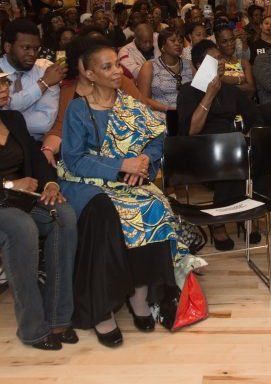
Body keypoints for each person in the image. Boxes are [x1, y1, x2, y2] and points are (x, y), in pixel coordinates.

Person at [58, 43, 191, 348]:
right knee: (105, 215)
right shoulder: (78, 109)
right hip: (87, 183)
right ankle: (102, 308)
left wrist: (144, 160)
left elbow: (157, 137)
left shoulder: (131, 105)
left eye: (117, 64)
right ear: (89, 74)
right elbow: (74, 159)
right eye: (106, 67)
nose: (117, 71)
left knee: (155, 205)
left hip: (130, 179)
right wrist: (121, 164)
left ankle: (140, 296)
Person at [0, 72, 78, 351]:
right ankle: (32, 328)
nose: (4, 88)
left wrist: (51, 183)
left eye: (5, 82)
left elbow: (36, 159)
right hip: (5, 204)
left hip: (21, 199)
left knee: (63, 215)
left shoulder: (13, 120)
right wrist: (10, 183)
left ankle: (59, 317)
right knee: (22, 227)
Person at [176, 40, 264, 249]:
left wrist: (247, 136)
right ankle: (220, 222)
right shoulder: (188, 92)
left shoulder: (232, 91)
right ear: (199, 65)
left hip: (231, 149)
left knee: (252, 153)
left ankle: (244, 211)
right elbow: (191, 131)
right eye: (215, 59)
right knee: (229, 154)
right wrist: (210, 94)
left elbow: (256, 119)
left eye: (221, 58)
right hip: (200, 153)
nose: (222, 62)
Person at [41, 36, 147, 166]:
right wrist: (48, 149)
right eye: (85, 58)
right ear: (75, 62)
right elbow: (60, 127)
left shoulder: (120, 81)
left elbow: (143, 116)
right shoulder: (68, 92)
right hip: (84, 160)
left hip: (124, 155)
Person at [0, 19, 65, 142]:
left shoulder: (47, 72)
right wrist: (42, 84)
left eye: (36, 49)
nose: (32, 54)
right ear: (8, 47)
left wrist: (4, 119)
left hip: (34, 147)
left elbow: (44, 123)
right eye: (26, 48)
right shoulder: (47, 78)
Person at [138, 27, 193, 112]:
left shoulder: (189, 64)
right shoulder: (149, 66)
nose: (178, 44)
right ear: (162, 45)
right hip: (161, 117)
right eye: (173, 40)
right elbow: (143, 99)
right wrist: (170, 109)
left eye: (180, 41)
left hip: (187, 116)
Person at [214, 24, 255, 95]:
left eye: (232, 40)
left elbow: (251, 89)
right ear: (217, 44)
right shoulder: (215, 63)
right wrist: (240, 80)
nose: (229, 44)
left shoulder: (243, 63)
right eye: (224, 41)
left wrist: (225, 82)